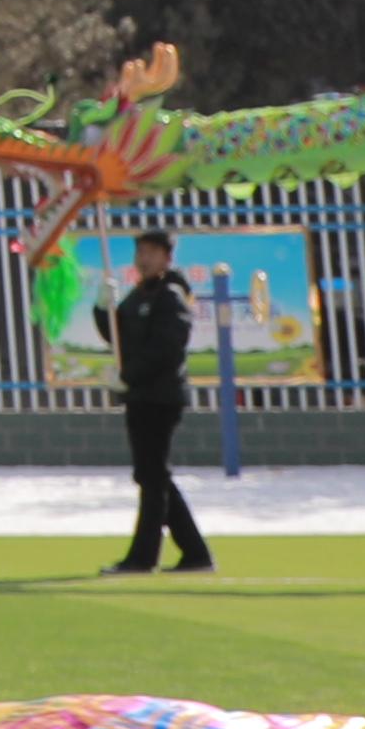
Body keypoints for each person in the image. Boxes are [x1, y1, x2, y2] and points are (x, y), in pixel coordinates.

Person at [105, 219, 215, 575]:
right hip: (141, 395)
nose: (144, 259)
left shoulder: (170, 295)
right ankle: (195, 553)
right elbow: (120, 337)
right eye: (140, 252)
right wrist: (102, 309)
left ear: (167, 257)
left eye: (151, 252)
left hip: (160, 396)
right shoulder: (140, 294)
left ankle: (143, 557)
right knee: (152, 476)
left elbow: (167, 349)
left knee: (152, 477)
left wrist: (128, 376)